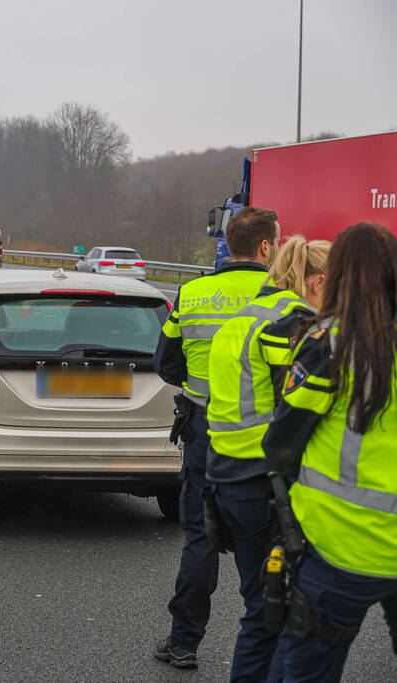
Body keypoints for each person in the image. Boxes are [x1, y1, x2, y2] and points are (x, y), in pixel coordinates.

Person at [263, 222, 397, 681]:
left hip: (339, 547)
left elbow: (282, 442)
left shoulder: (329, 345)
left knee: (307, 669)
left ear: (336, 276)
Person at [152, 206, 280, 669]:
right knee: (262, 546)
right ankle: (264, 648)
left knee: (199, 539)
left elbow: (164, 364)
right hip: (262, 441)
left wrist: (201, 386)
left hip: (204, 431)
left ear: (229, 243)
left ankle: (184, 642)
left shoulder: (192, 293)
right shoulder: (279, 296)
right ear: (266, 247)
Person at [205, 236, 330, 681]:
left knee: (263, 605)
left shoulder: (243, 319)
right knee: (273, 611)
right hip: (266, 483)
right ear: (317, 283)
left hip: (228, 477)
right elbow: (305, 405)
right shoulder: (292, 325)